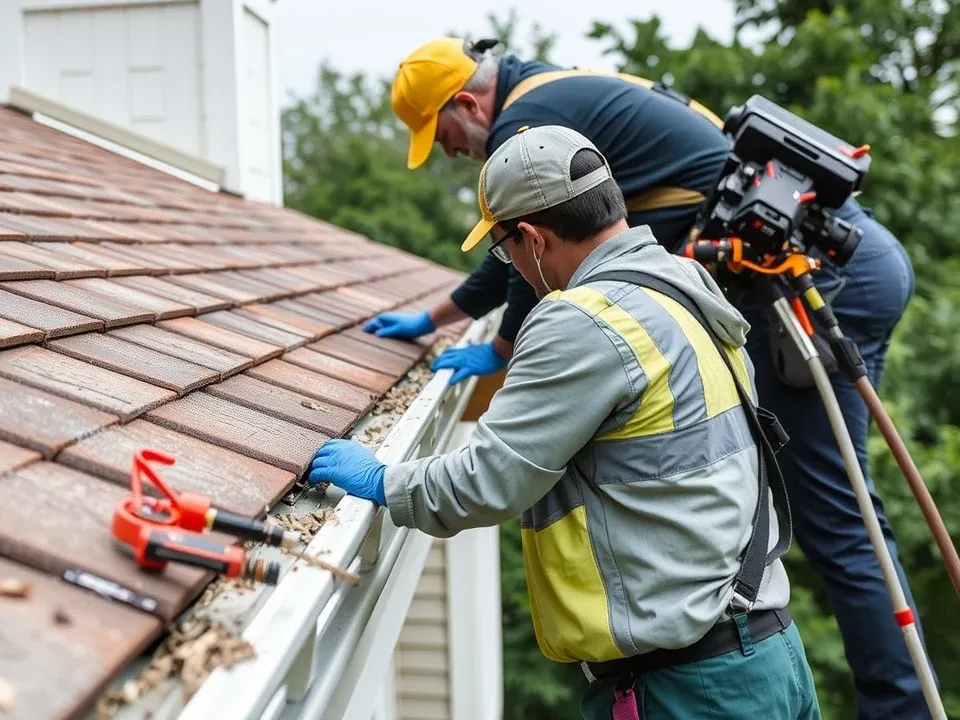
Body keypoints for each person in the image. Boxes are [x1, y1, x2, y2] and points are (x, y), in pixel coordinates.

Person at [364, 37, 924, 719]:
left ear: (466, 103)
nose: (450, 151)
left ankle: (902, 708)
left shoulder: (525, 131)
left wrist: (501, 349)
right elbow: (523, 247)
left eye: (444, 135)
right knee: (818, 506)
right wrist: (436, 316)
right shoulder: (568, 110)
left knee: (838, 520)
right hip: (766, 655)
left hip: (827, 278)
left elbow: (491, 468)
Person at [311, 125, 820, 719]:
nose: (515, 268)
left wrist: (382, 481)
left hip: (691, 688)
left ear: (532, 237)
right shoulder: (686, 289)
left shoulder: (584, 318)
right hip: (769, 656)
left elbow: (486, 482)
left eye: (505, 251)